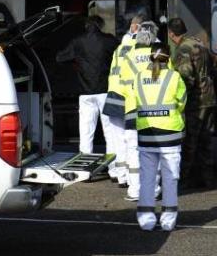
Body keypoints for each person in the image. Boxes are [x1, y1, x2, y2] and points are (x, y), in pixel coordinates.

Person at [125, 43, 187, 231]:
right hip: (170, 134)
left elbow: (133, 102)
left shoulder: (138, 77)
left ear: (150, 57)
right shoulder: (174, 77)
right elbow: (182, 103)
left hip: (146, 134)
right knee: (170, 178)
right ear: (168, 58)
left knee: (147, 178)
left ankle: (146, 219)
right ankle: (168, 220)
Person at [56, 16, 120, 159]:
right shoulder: (109, 40)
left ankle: (85, 168)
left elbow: (60, 58)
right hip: (105, 91)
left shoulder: (78, 42)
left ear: (87, 26)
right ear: (100, 25)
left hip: (85, 93)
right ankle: (115, 170)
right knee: (110, 132)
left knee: (86, 132)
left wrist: (75, 63)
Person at [167, 18, 217, 189]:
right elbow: (212, 67)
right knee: (206, 141)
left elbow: (185, 77)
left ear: (171, 34)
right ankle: (206, 178)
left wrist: (179, 100)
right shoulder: (199, 43)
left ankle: (184, 178)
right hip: (209, 97)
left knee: (190, 141)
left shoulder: (183, 49)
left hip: (196, 101)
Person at [119, 21, 162, 201]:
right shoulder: (160, 55)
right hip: (155, 111)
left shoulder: (129, 56)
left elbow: (122, 85)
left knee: (134, 152)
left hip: (133, 109)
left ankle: (135, 191)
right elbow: (169, 81)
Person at [103, 13, 146, 187]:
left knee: (117, 139)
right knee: (133, 140)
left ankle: (121, 176)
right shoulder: (139, 49)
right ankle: (133, 177)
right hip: (129, 96)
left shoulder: (119, 48)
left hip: (114, 94)